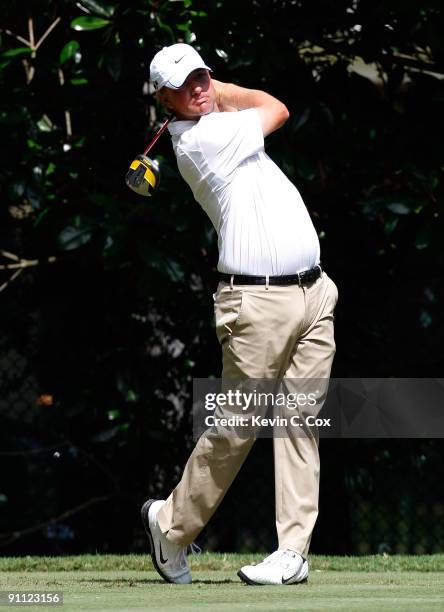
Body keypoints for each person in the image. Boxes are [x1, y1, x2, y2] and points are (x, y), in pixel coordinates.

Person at [141, 43, 338, 586]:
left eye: (203, 76)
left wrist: (211, 93)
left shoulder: (220, 128)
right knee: (238, 426)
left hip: (314, 292)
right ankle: (170, 524)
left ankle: (292, 552)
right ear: (165, 98)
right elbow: (276, 108)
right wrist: (224, 92)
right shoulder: (201, 140)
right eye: (187, 85)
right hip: (255, 305)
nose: (201, 88)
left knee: (302, 421)